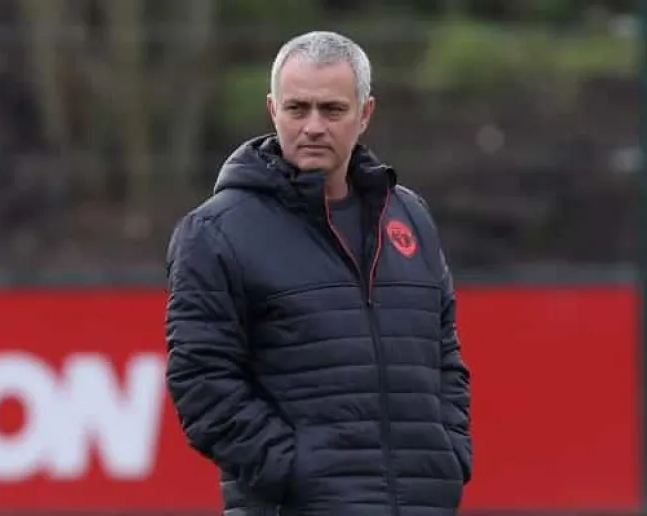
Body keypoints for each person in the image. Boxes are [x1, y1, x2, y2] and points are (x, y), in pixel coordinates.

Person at [165, 30, 472, 516]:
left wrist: (447, 454)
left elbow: (444, 355)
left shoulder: (409, 216)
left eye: (331, 110)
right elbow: (200, 380)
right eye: (297, 108)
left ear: (364, 113)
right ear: (273, 110)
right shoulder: (215, 232)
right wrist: (295, 473)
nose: (312, 126)